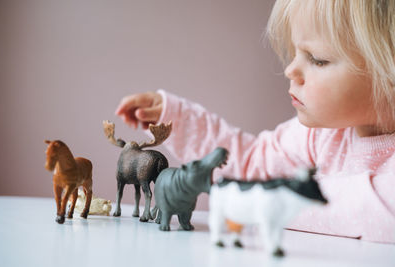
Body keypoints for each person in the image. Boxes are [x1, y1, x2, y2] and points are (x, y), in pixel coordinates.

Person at [114, 0, 395, 243]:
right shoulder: (317, 136)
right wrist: (177, 118)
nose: (290, 69)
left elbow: (380, 211)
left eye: (318, 59)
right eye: (295, 52)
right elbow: (249, 167)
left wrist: (276, 200)